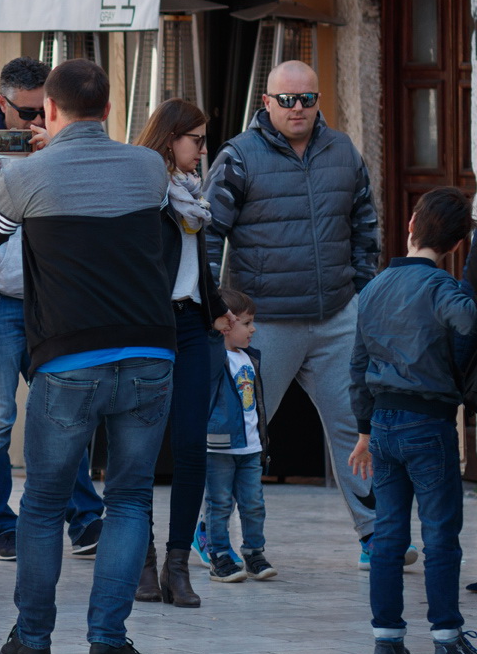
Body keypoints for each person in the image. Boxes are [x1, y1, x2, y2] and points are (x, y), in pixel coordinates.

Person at [0, 59, 172, 654]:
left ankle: (32, 640)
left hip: (69, 358)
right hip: (150, 353)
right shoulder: (149, 167)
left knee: (44, 504)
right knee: (128, 500)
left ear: (48, 111)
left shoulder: (28, 176)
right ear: (109, 110)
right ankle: (109, 643)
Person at [203, 60, 401, 570]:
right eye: (286, 99)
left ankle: (376, 534)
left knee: (357, 426)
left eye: (306, 99)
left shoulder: (343, 151)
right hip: (263, 324)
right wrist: (216, 308)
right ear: (266, 102)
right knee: (242, 432)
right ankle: (209, 532)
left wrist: (362, 295)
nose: (297, 108)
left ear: (318, 101)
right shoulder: (238, 156)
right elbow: (208, 233)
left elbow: (365, 225)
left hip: (336, 319)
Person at [0, 56, 104, 561]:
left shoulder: (60, 145)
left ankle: (85, 517)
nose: (35, 121)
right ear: (1, 103)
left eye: (42, 112)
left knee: (66, 414)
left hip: (52, 305)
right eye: (26, 112)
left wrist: (57, 154)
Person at [347, 187, 477, 654]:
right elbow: (468, 325)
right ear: (457, 243)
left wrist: (364, 429)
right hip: (429, 422)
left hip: (382, 423)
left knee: (388, 535)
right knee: (440, 533)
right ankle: (447, 640)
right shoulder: (444, 289)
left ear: (410, 226)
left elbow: (357, 367)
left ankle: (387, 642)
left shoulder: (374, 288)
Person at [132, 98, 233, 607]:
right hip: (150, 325)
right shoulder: (145, 190)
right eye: (196, 139)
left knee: (192, 444)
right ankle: (143, 563)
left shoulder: (192, 195)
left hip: (192, 323)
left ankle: (178, 565)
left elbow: (198, 264)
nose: (203, 149)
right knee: (142, 448)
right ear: (170, 139)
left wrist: (217, 309)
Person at [204, 289, 275, 583]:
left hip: (250, 447)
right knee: (219, 503)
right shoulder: (213, 358)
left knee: (254, 504)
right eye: (246, 323)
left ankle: (254, 553)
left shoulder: (249, 358)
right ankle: (219, 556)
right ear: (225, 326)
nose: (252, 329)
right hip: (220, 447)